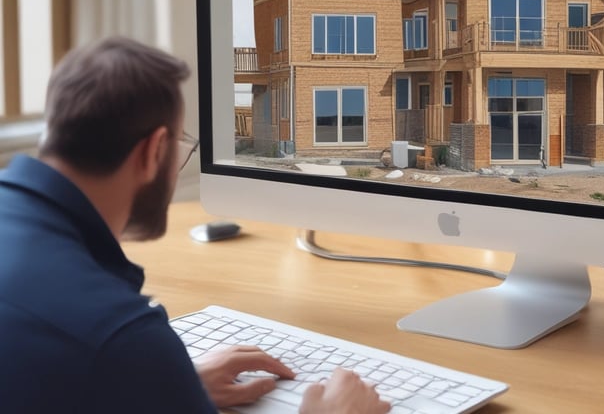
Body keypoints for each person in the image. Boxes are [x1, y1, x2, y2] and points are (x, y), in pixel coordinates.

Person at [0, 37, 390, 414]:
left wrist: (163, 386)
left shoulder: (121, 356)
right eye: (180, 144)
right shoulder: (123, 337)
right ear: (154, 150)